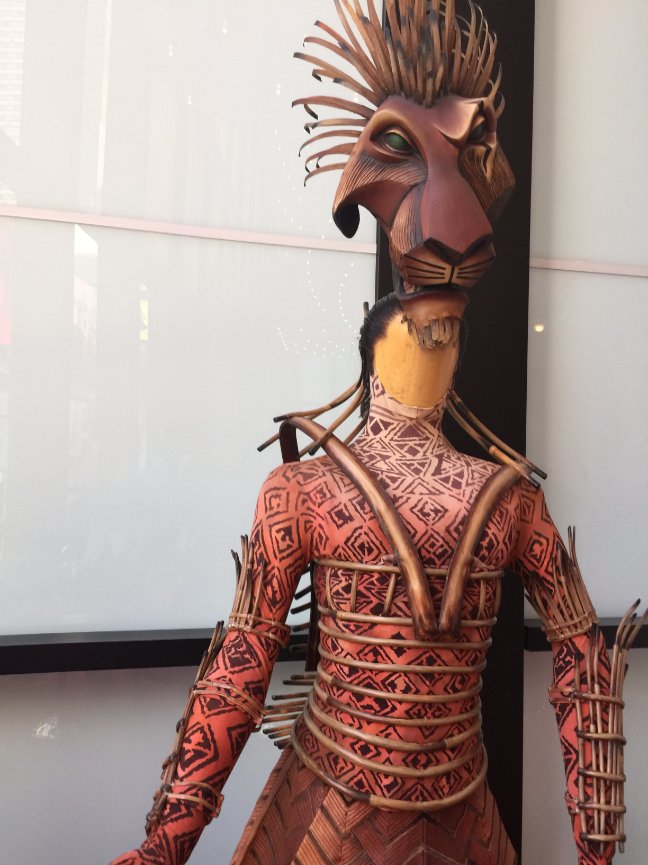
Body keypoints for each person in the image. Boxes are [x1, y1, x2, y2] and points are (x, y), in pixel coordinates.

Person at [111, 3, 641, 863]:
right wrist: (164, 843)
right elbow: (241, 663)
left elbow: (583, 653)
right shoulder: (304, 492)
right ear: (375, 348)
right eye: (421, 328)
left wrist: (598, 843)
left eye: (449, 330)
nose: (438, 339)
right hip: (326, 810)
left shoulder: (509, 500)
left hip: (459, 816)